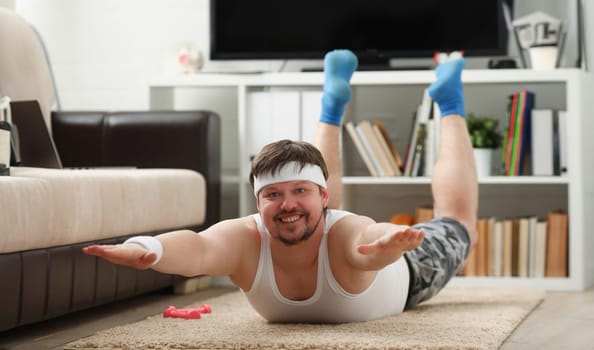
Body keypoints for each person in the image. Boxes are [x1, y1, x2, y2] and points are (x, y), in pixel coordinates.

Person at [83, 49, 478, 323]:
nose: (286, 203)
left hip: (409, 268)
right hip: (358, 238)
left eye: (300, 191)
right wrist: (147, 248)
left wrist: (391, 241)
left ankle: (450, 102)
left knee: (458, 222)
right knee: (307, 216)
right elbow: (199, 247)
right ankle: (332, 102)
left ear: (324, 196)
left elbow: (368, 243)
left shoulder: (346, 233)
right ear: (256, 201)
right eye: (273, 194)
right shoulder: (245, 240)